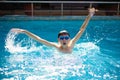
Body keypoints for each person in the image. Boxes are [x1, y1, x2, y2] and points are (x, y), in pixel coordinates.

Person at [10, 8, 97, 53]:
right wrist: (25, 31)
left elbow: (81, 29)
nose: (64, 39)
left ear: (69, 39)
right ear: (58, 40)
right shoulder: (56, 46)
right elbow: (39, 39)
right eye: (62, 38)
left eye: (66, 37)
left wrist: (89, 16)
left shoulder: (72, 43)